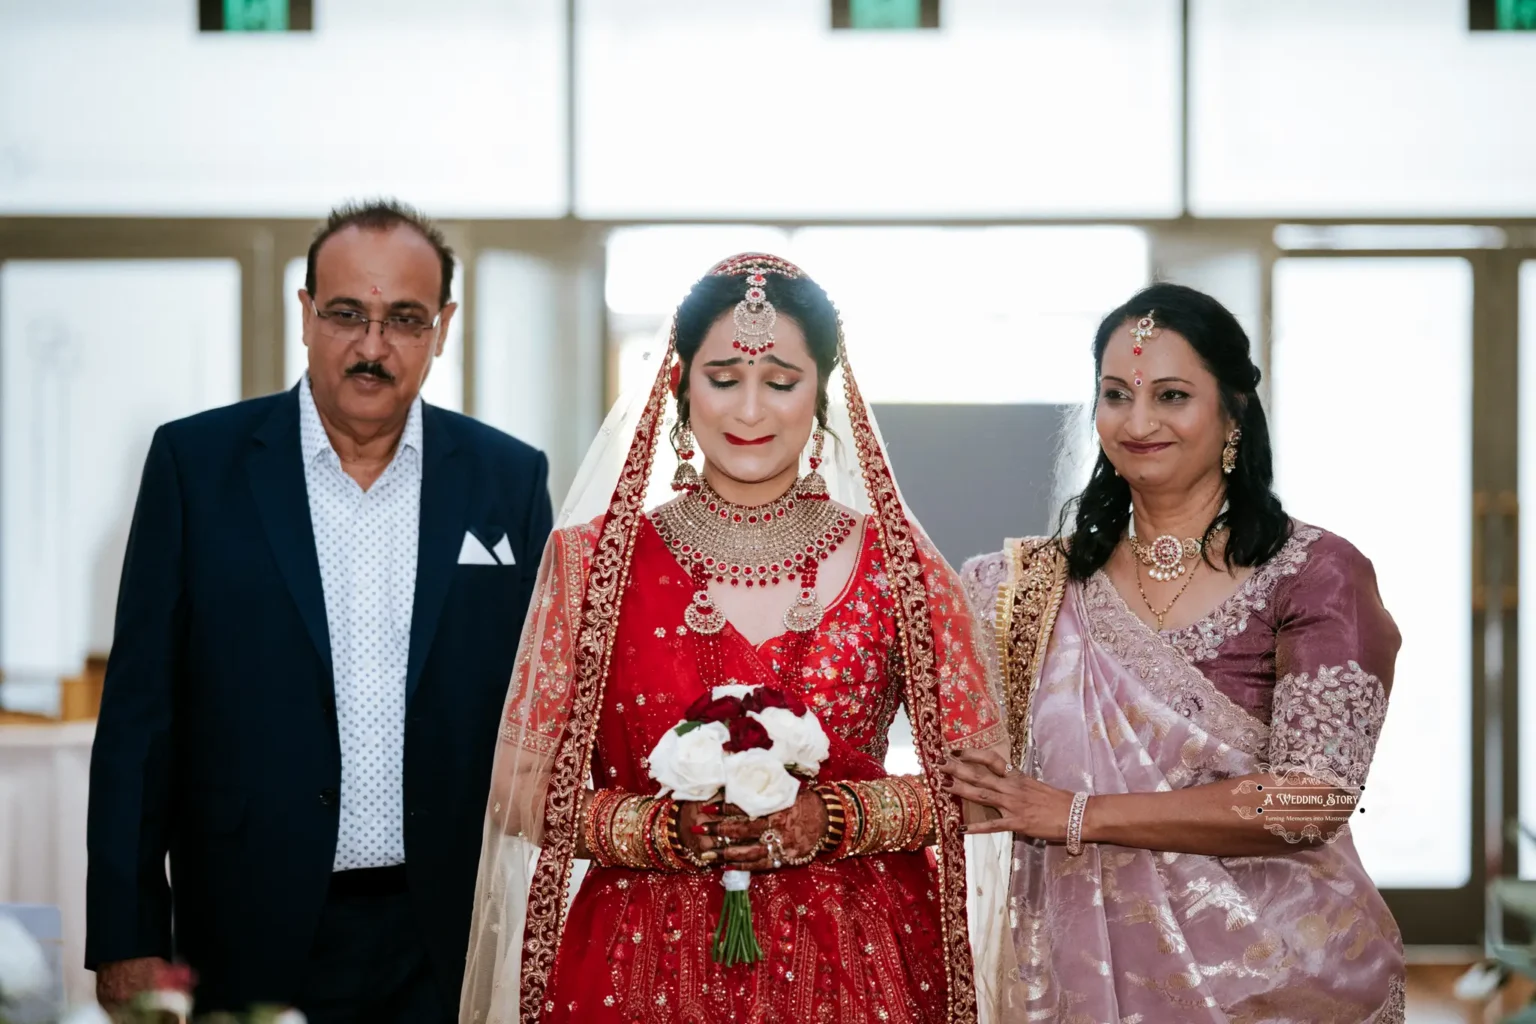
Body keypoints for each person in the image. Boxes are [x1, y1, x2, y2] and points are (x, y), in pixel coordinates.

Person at [458, 254, 1011, 1024]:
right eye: (723, 378)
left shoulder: (903, 569)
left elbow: (986, 793)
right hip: (637, 969)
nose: (750, 410)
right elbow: (516, 792)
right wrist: (655, 828)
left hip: (855, 970)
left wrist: (839, 817)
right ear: (681, 386)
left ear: (823, 393)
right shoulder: (590, 564)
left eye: (781, 381)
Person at [86, 200, 554, 1023]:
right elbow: (137, 720)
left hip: (443, 931)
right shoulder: (195, 468)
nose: (372, 347)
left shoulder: (507, 480)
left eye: (404, 320)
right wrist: (127, 937)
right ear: (305, 315)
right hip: (244, 925)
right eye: (346, 314)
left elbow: (543, 706)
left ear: (442, 328)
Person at [949, 282, 1406, 1022]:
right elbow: (977, 785)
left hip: (1271, 979)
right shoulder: (1024, 590)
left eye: (1170, 395)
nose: (1138, 421)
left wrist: (1076, 813)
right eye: (1116, 394)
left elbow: (1311, 798)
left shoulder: (1317, 574)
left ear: (1231, 413)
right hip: (1076, 978)